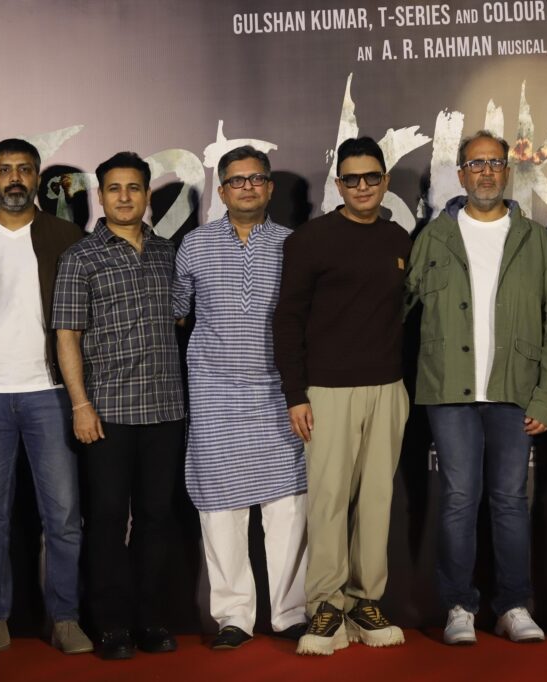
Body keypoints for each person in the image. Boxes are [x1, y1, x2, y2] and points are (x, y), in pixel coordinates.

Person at [406, 131, 547, 646]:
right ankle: (459, 605)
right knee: (458, 498)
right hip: (448, 392)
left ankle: (514, 605)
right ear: (460, 174)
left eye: (495, 163)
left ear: (507, 171)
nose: (485, 173)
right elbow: (401, 312)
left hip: (514, 390)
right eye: (475, 164)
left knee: (510, 500)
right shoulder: (433, 237)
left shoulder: (536, 240)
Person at [0, 138, 91, 657]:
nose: (15, 178)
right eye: (5, 170)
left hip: (49, 392)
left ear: (37, 179)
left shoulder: (66, 237)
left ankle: (66, 618)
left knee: (64, 518)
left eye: (24, 169)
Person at [273, 136, 411, 656]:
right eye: (351, 179)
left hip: (388, 388)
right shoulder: (310, 240)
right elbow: (288, 321)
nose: (362, 186)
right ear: (338, 184)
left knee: (376, 501)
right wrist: (295, 393)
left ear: (385, 181)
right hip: (327, 391)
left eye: (371, 177)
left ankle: (365, 600)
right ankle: (326, 605)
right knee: (329, 500)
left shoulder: (398, 238)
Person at [172, 145, 308, 650]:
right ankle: (233, 617)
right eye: (236, 180)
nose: (247, 187)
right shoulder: (195, 245)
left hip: (279, 393)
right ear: (222, 190)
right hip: (214, 394)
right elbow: (177, 312)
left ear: (269, 188)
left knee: (288, 508)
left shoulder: (294, 245)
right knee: (220, 510)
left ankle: (291, 613)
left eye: (256, 179)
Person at [53, 151, 185, 660]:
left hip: (166, 409)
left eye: (133, 188)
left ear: (147, 194)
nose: (124, 197)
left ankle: (151, 621)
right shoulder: (80, 257)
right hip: (106, 412)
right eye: (114, 188)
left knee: (157, 519)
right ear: (100, 196)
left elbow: (180, 318)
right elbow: (67, 335)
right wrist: (80, 405)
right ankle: (110, 626)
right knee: (107, 521)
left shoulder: (168, 252)